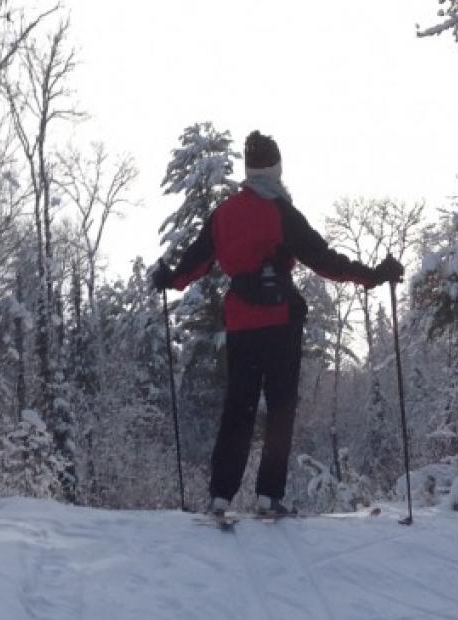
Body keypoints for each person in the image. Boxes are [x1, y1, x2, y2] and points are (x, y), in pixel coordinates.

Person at [151, 131, 403, 517]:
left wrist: (169, 280)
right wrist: (373, 276)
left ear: (249, 169)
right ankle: (269, 496)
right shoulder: (282, 212)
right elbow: (324, 261)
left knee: (239, 406)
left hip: (240, 324)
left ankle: (220, 496)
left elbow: (195, 263)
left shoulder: (224, 215)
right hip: (281, 322)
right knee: (280, 407)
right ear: (276, 169)